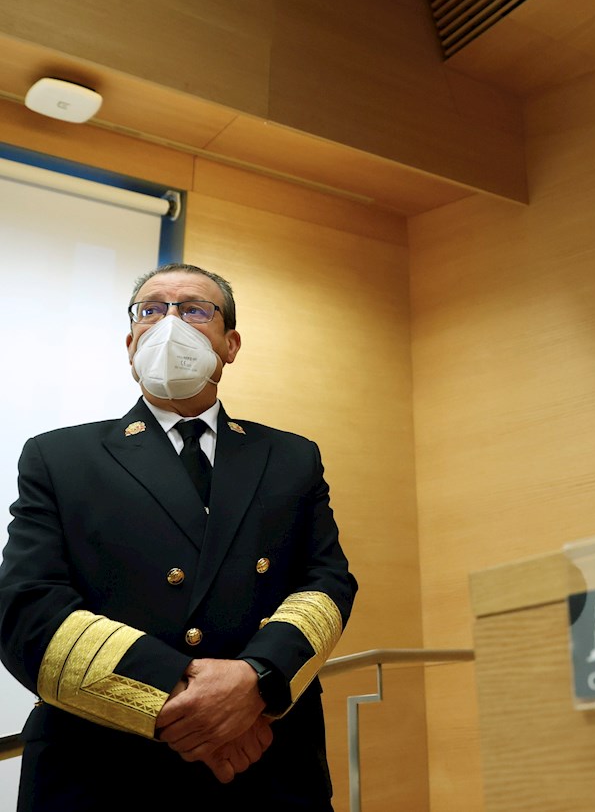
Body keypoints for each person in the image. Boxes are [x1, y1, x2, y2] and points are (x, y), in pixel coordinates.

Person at [0, 263, 358, 810]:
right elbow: (27, 607)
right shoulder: (59, 457)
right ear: (130, 342)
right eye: (151, 310)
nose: (170, 323)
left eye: (194, 309)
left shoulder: (290, 457)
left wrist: (257, 682)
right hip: (101, 771)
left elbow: (327, 582)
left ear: (230, 343)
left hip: (268, 768)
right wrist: (196, 704)